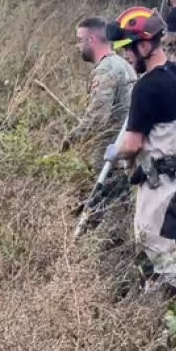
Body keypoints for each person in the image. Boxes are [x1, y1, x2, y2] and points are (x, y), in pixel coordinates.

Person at [103, 6, 176, 297]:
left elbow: (132, 144)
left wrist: (113, 152)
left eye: (128, 48)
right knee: (154, 253)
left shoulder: (147, 87)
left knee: (155, 253)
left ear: (145, 46)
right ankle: (157, 308)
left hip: (162, 182)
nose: (126, 55)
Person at [62, 16, 138, 220]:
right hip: (124, 151)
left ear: (92, 40)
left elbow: (97, 118)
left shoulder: (106, 70)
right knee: (119, 208)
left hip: (107, 155)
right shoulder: (124, 64)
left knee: (97, 213)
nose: (78, 46)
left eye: (80, 40)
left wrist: (72, 139)